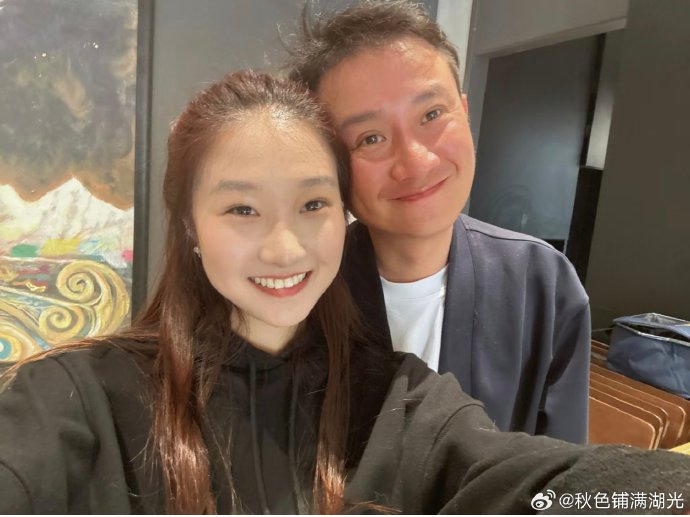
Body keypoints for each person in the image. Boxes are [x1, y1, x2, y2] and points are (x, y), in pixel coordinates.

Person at [1, 71, 689, 516]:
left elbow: (548, 486)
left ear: (343, 214)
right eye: (241, 209)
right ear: (189, 226)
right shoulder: (79, 397)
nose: (284, 247)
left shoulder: (398, 402)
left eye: (313, 204)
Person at [286, 0, 591, 443]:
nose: (415, 162)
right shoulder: (302, 293)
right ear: (330, 163)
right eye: (370, 138)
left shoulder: (542, 283)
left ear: (463, 111)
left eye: (431, 115)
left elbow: (560, 470)